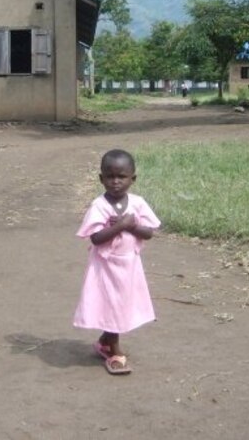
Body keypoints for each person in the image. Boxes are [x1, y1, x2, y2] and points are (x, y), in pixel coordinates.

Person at [73, 149, 161, 375]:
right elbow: (95, 237)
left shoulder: (138, 203)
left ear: (133, 178)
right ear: (101, 178)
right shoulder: (99, 206)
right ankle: (114, 351)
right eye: (110, 176)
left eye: (121, 177)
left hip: (129, 267)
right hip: (105, 267)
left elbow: (148, 233)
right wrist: (118, 227)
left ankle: (105, 341)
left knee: (121, 306)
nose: (115, 182)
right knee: (111, 306)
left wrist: (131, 225)